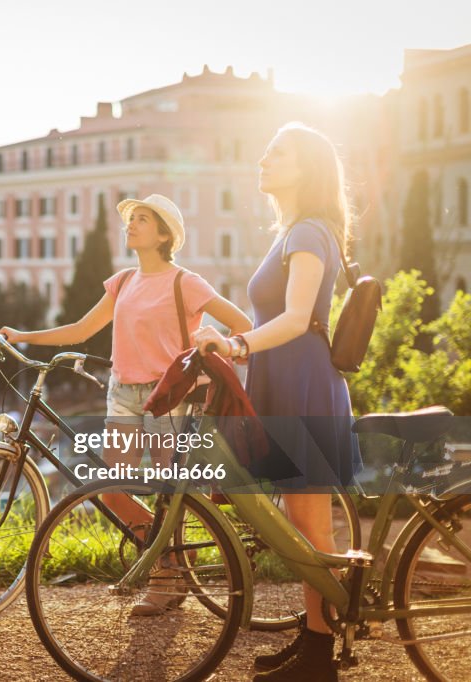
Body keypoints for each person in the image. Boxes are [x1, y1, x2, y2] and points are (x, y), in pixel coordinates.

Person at [0, 193, 251, 615]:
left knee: (169, 495)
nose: (130, 224)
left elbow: (242, 325)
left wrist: (218, 344)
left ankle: (164, 580)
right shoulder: (123, 282)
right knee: (111, 489)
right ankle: (170, 560)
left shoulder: (185, 282)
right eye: (131, 219)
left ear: (165, 234)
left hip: (169, 396)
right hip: (123, 392)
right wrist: (25, 336)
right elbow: (81, 329)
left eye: (143, 219)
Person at [192, 123, 361, 682]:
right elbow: (279, 323)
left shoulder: (309, 233)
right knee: (300, 524)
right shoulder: (294, 231)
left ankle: (319, 658)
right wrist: (237, 352)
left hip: (302, 387)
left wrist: (237, 342)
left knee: (311, 526)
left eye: (278, 153)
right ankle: (313, 639)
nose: (263, 159)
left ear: (306, 168)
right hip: (286, 382)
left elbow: (295, 318)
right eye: (264, 150)